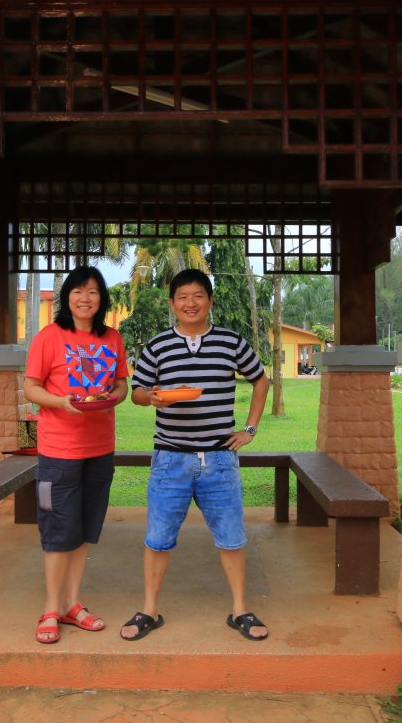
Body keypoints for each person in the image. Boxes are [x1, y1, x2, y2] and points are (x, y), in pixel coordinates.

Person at [120, 268, 270, 642]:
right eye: (183, 296)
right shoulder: (157, 345)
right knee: (157, 538)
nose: (191, 302)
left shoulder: (230, 342)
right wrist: (151, 397)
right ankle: (149, 610)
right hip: (170, 459)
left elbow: (261, 379)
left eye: (198, 295)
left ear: (210, 301)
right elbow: (138, 391)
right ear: (172, 303)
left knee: (232, 537)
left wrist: (249, 430)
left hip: (219, 458)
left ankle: (240, 610)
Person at [23, 265, 128, 644]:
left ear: (102, 299)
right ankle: (50, 607)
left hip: (100, 448)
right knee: (57, 529)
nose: (85, 298)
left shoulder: (112, 338)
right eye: (78, 291)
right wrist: (61, 403)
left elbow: (120, 384)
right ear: (67, 297)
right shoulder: (49, 337)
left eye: (93, 292)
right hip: (59, 451)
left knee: (86, 526)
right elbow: (31, 388)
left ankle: (72, 603)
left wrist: (116, 395)